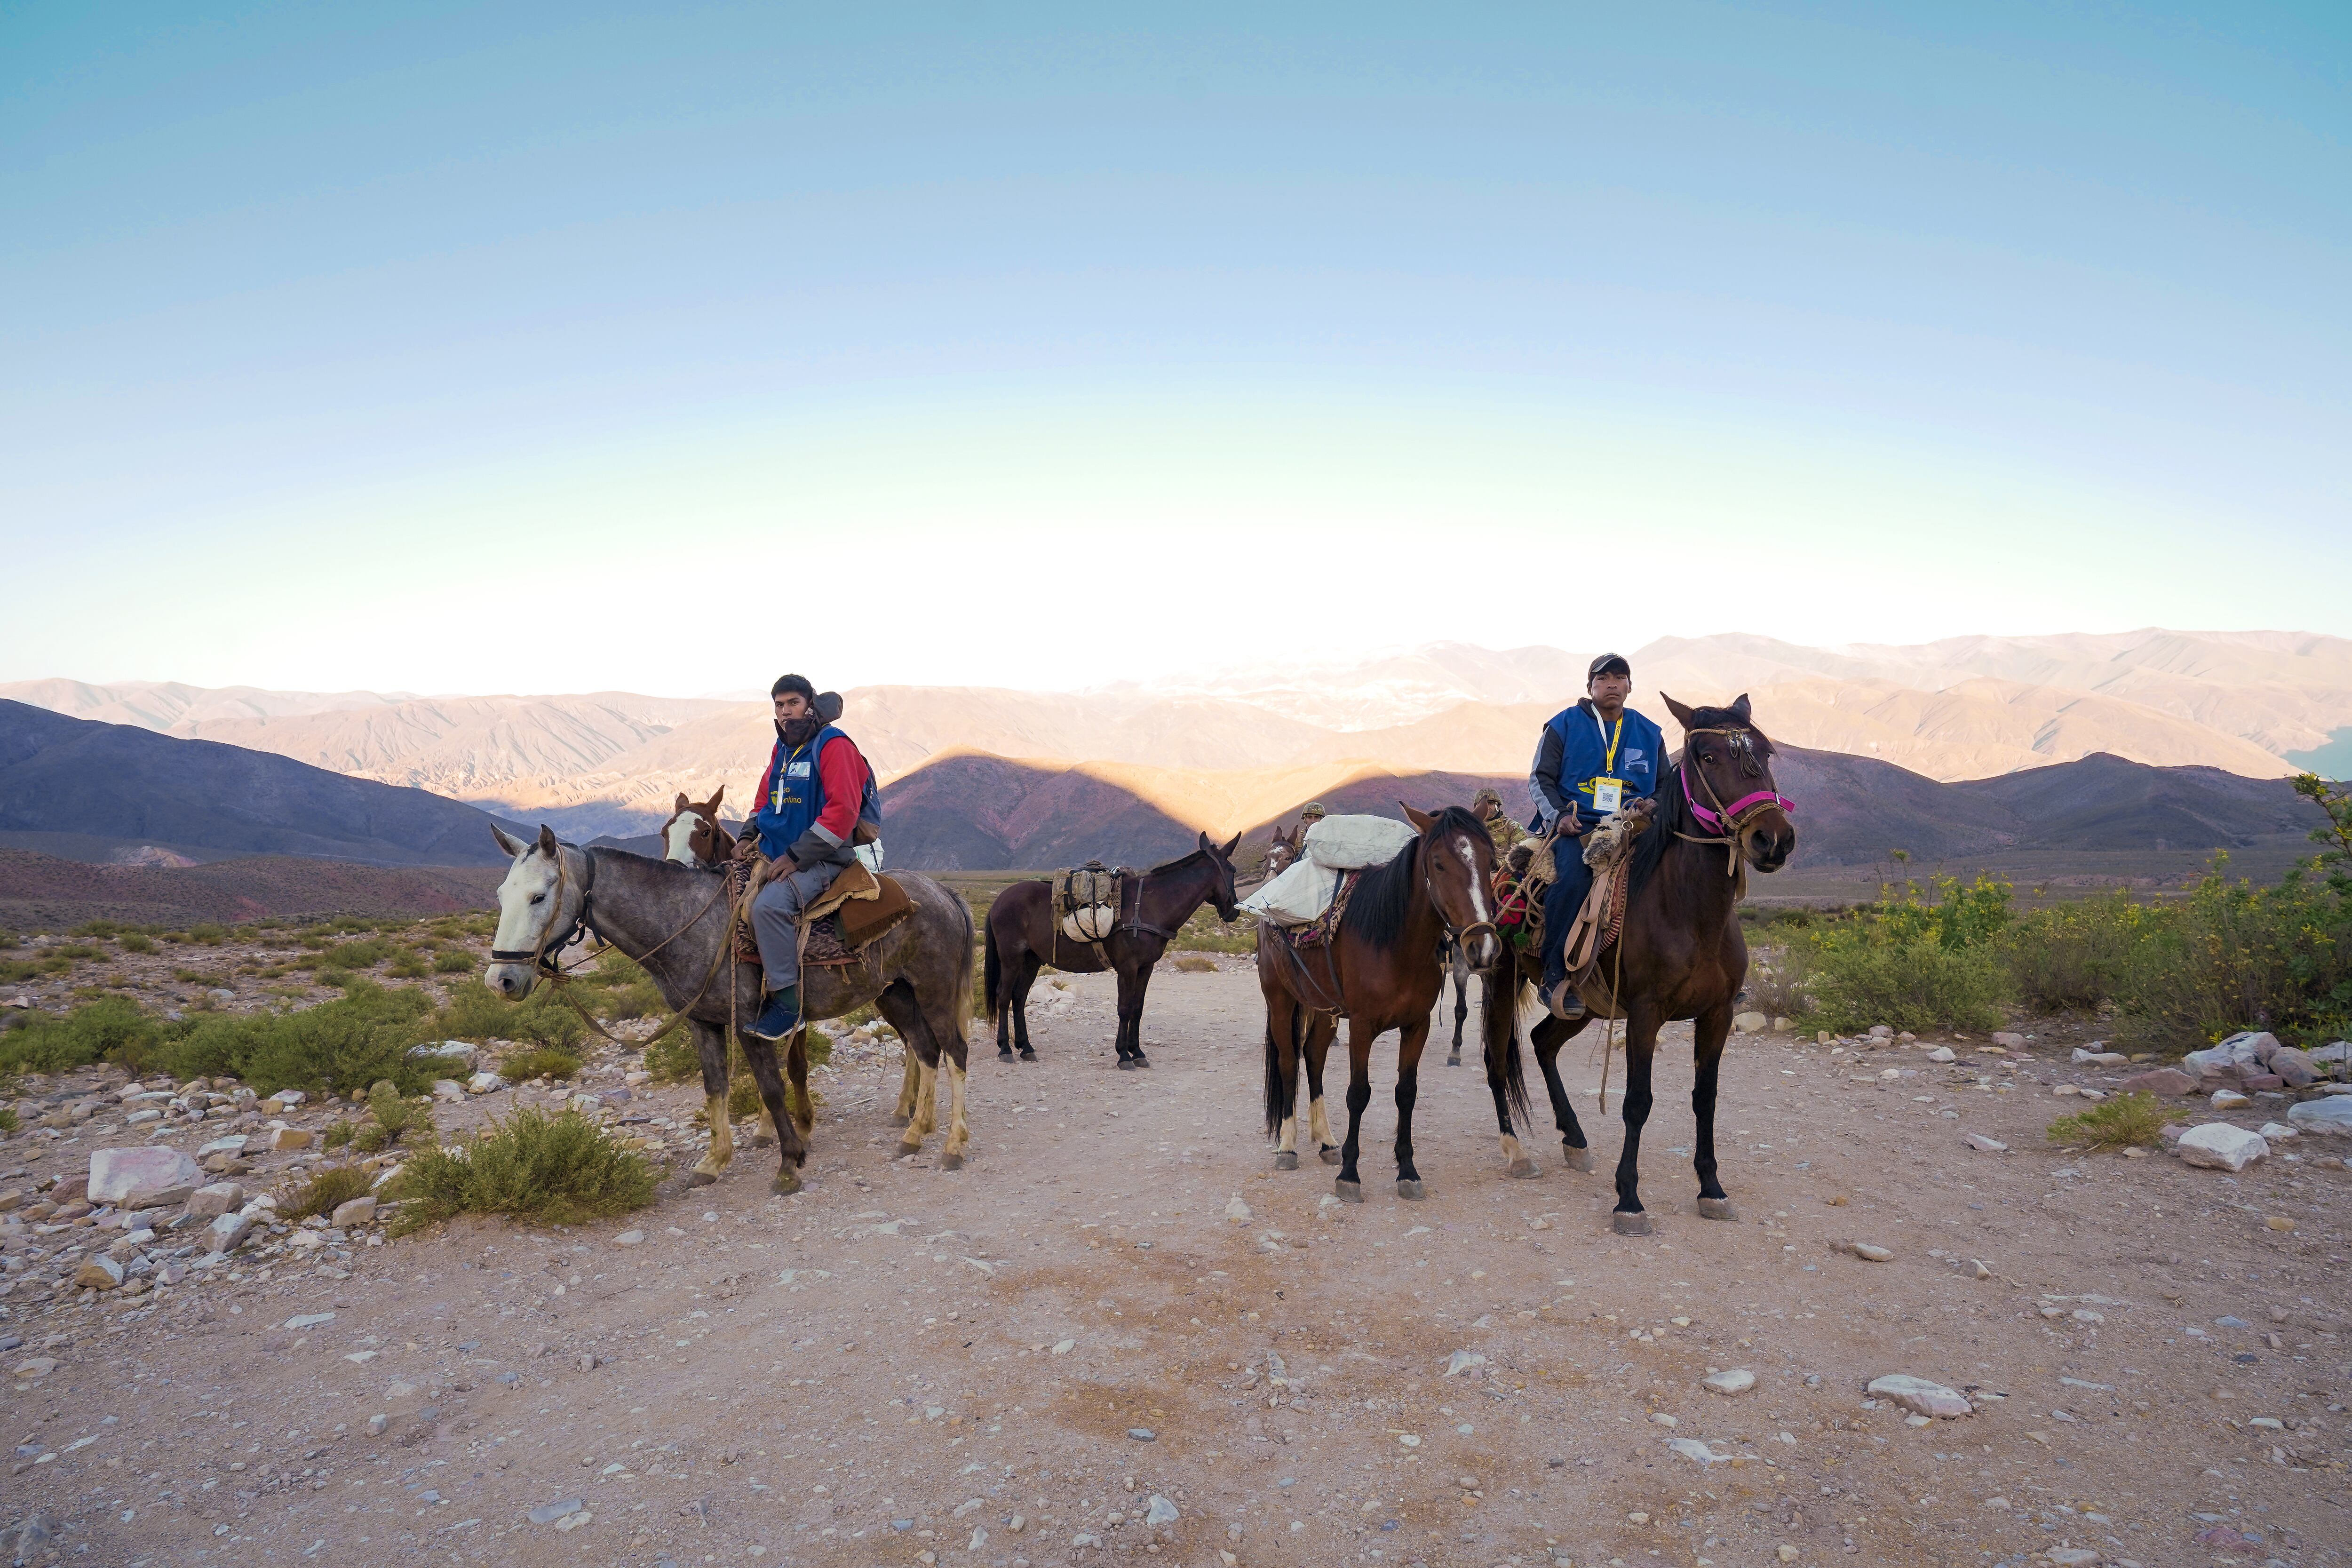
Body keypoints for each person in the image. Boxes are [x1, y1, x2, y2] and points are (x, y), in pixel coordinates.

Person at [738, 675, 878, 1040]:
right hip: (776, 851)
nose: (785, 712)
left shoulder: (834, 745)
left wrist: (798, 856)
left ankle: (787, 1007)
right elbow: (766, 798)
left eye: (793, 703)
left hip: (824, 858)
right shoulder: (782, 748)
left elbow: (843, 811)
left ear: (810, 703)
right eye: (779, 706)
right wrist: (748, 834)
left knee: (768, 907)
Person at [1527, 653, 1665, 1017]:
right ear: (1590, 687)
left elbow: (1666, 787)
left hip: (1634, 826)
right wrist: (1558, 817)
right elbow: (1540, 778)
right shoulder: (1564, 725)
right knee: (1573, 878)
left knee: (1685, 871)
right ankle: (1553, 973)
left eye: (1620, 677)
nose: (1612, 684)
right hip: (1580, 826)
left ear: (1630, 687)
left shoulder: (1650, 733)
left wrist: (1652, 805)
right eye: (1603, 678)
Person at [1472, 787, 1526, 860]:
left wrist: (1496, 864)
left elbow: (1521, 856)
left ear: (1498, 805)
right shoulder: (1472, 828)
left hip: (1504, 871)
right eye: (1481, 804)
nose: (1486, 807)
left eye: (1490, 803)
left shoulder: (1513, 827)